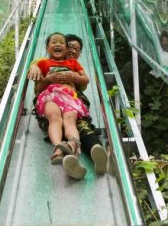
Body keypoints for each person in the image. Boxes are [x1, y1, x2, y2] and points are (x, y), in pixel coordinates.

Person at [28, 34, 109, 175]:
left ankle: (82, 149)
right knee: (55, 120)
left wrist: (74, 77)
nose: (73, 51)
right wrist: (37, 69)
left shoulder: (74, 65)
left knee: (75, 122)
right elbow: (36, 71)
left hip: (71, 100)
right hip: (50, 98)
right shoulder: (43, 62)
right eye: (71, 47)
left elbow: (85, 80)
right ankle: (62, 150)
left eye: (77, 49)